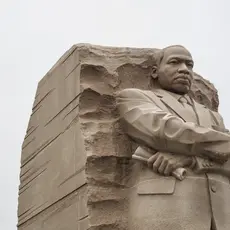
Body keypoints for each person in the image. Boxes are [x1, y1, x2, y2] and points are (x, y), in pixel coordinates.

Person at [116, 45, 230, 230]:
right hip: (167, 211)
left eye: (189, 65)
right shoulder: (133, 98)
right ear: (155, 72)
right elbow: (166, 131)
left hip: (221, 215)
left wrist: (191, 160)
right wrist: (223, 144)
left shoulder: (213, 117)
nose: (184, 69)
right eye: (174, 62)